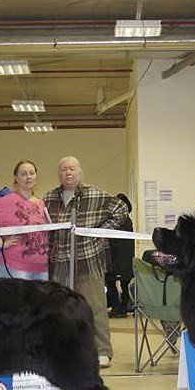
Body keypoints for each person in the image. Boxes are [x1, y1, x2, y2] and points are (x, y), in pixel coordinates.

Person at [44, 156, 129, 368]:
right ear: (59, 175)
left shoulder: (95, 194)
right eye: (63, 170)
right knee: (60, 309)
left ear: (80, 172)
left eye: (72, 169)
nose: (68, 173)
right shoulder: (49, 198)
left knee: (95, 307)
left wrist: (103, 232)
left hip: (89, 260)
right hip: (61, 262)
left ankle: (102, 351)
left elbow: (121, 209)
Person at [0, 160, 51, 280]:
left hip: (41, 267)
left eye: (31, 173)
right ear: (16, 179)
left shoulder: (40, 203)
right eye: (23, 174)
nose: (28, 177)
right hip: (16, 266)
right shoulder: (7, 201)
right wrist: (1, 243)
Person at [105, 193, 135, 317]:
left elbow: (112, 242)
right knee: (125, 283)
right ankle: (122, 308)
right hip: (126, 258)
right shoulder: (128, 221)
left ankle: (117, 308)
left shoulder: (116, 221)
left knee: (110, 282)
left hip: (114, 257)